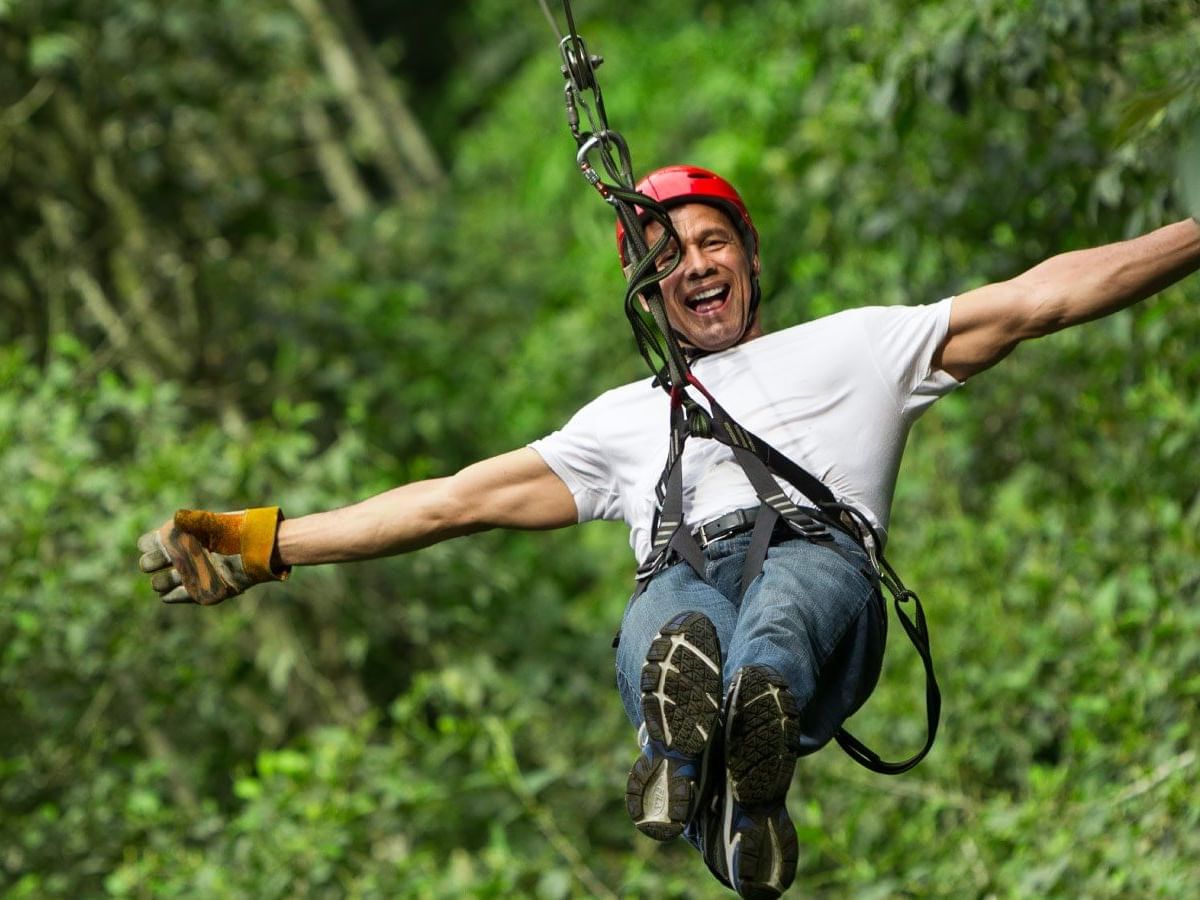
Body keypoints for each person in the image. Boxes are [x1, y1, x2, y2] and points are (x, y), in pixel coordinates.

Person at [138, 165, 1200, 898]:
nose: (693, 266)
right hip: (684, 567)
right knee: (677, 615)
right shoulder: (622, 422)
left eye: (710, 242)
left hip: (822, 566)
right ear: (645, 294)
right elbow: (448, 501)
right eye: (666, 256)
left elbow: (1044, 298)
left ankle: (749, 717)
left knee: (784, 608)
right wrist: (267, 542)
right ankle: (688, 745)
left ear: (746, 256)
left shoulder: (858, 349)